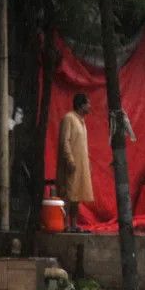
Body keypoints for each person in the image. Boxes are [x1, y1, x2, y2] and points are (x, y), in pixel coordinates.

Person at [56, 92, 94, 232]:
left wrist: (87, 162)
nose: (90, 106)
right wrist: (70, 160)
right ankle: (64, 224)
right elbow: (64, 141)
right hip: (70, 165)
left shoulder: (81, 121)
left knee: (76, 196)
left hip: (80, 165)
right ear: (81, 105)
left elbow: (82, 145)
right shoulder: (69, 118)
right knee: (68, 194)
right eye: (87, 103)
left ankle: (73, 225)